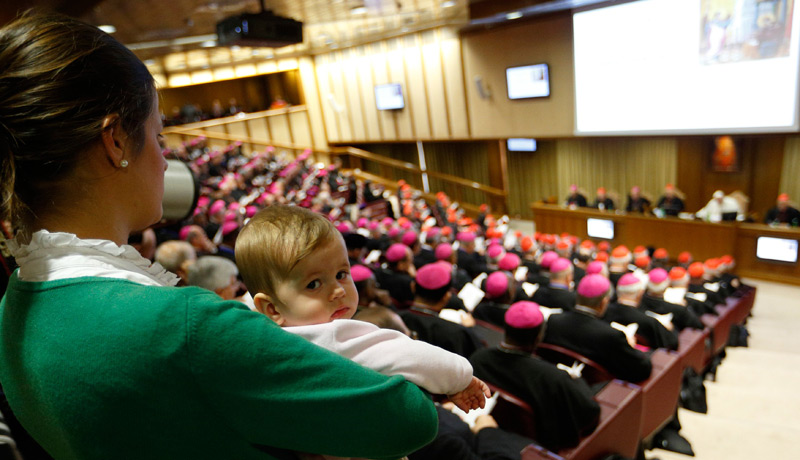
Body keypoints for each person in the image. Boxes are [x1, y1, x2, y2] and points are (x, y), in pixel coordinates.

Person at [0, 13, 437, 460]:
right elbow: (409, 418)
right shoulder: (185, 326)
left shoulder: (12, 307)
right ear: (115, 141)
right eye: (158, 136)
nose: (166, 161)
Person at [235, 205, 489, 415]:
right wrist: (461, 378)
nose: (338, 291)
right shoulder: (333, 335)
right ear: (271, 308)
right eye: (313, 284)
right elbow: (409, 354)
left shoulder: (258, 342)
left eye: (341, 274)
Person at [470, 301, 601, 451]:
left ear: (506, 329)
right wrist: (577, 381)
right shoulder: (554, 378)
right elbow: (589, 414)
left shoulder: (478, 358)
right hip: (540, 446)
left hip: (492, 434)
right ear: (539, 336)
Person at [542, 275, 652, 384]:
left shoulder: (553, 320)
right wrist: (630, 346)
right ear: (603, 302)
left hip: (552, 382)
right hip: (597, 389)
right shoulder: (611, 336)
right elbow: (642, 370)